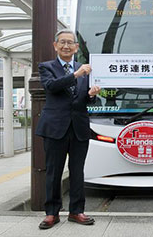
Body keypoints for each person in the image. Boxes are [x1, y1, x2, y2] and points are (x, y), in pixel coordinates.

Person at [36, 29, 101, 230]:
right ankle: (51, 213)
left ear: (76, 47)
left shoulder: (85, 70)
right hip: (55, 128)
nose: (66, 46)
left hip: (79, 127)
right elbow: (52, 87)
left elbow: (89, 100)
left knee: (77, 172)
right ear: (55, 45)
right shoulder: (47, 67)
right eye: (62, 42)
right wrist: (76, 74)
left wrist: (91, 95)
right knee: (53, 172)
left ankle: (76, 211)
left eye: (70, 43)